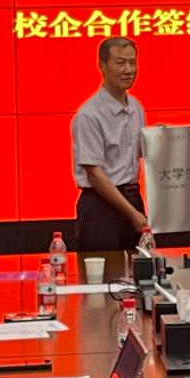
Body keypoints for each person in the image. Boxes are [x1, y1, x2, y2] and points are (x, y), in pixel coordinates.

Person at [72, 37, 148, 251]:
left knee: (138, 268)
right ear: (102, 66)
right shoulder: (89, 115)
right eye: (120, 63)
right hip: (101, 207)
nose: (129, 70)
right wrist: (131, 213)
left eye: (132, 63)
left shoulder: (136, 107)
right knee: (102, 270)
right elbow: (95, 175)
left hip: (133, 198)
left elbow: (138, 153)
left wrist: (160, 139)